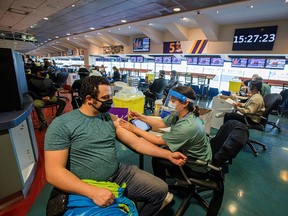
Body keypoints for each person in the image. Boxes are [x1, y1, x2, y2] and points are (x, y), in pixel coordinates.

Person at [44, 76, 187, 215]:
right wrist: (92, 191)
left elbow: (136, 143)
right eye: (106, 98)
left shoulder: (108, 117)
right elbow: (54, 173)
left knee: (161, 189)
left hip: (118, 174)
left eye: (111, 97)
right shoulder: (62, 125)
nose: (110, 102)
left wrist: (168, 154)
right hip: (87, 183)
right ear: (89, 99)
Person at [119, 86, 212, 182]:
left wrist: (133, 129)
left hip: (196, 166)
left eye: (173, 101)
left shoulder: (187, 127)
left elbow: (158, 140)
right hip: (194, 154)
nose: (170, 103)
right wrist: (140, 116)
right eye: (170, 100)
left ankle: (162, 188)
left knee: (157, 160)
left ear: (185, 103)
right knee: (161, 151)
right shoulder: (182, 113)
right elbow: (161, 123)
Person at [28, 66, 66, 131]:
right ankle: (43, 122)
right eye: (43, 71)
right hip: (39, 99)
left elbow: (53, 90)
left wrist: (49, 97)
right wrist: (41, 97)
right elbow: (31, 93)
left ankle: (57, 117)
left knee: (63, 103)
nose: (45, 73)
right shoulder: (31, 81)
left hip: (49, 98)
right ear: (38, 72)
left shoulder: (48, 80)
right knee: (37, 105)